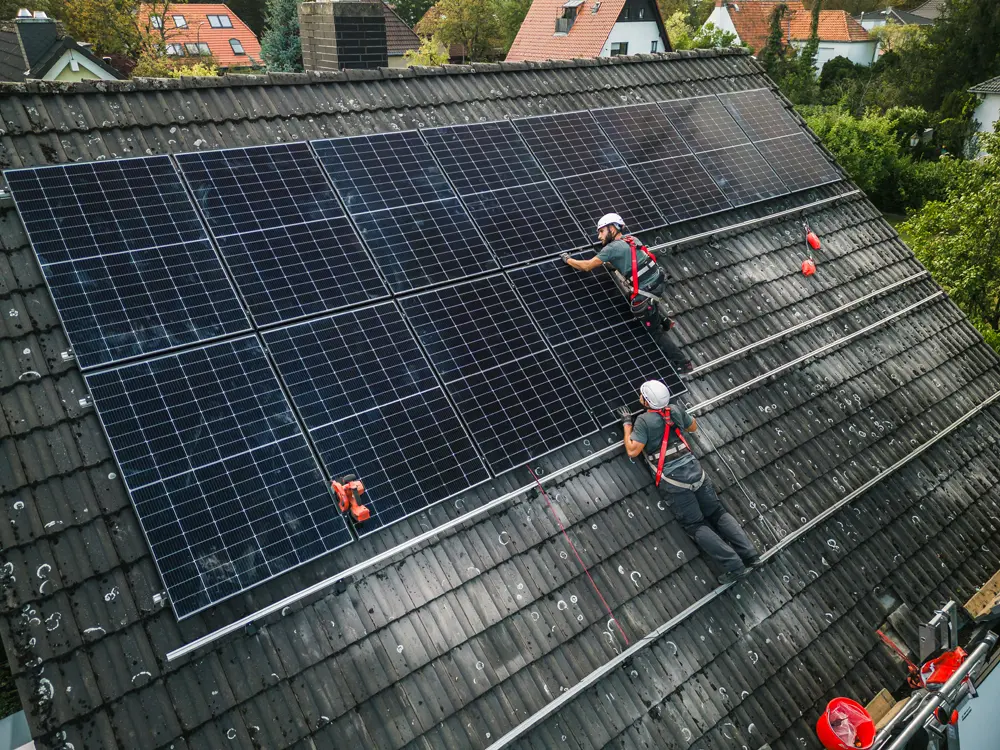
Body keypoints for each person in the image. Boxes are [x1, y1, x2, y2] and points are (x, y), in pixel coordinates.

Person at [620, 379, 762, 584]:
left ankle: (735, 566)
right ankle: (751, 556)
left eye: (642, 395)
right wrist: (676, 416)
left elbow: (633, 451)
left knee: (695, 524)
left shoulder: (643, 421)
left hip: (674, 482)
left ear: (648, 401)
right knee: (717, 512)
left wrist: (627, 425)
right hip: (696, 472)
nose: (640, 397)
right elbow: (693, 427)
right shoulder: (674, 409)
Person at [564, 212, 692, 372]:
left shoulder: (611, 248)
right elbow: (629, 260)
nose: (599, 236)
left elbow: (587, 266)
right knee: (629, 298)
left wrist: (567, 259)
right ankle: (663, 320)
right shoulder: (632, 240)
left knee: (653, 329)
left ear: (612, 229)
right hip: (658, 281)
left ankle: (683, 363)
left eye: (601, 231)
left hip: (647, 292)